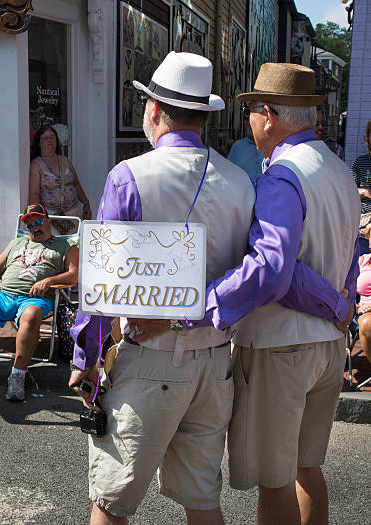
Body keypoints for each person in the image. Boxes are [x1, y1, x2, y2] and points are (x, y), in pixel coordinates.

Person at [131, 63, 359, 525]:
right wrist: (341, 302)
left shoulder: (282, 175)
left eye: (253, 110)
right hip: (329, 345)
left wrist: (195, 308)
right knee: (308, 469)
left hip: (281, 346)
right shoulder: (339, 169)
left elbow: (274, 270)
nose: (251, 120)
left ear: (269, 115)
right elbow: (351, 252)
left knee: (275, 483)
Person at [69, 51, 257, 525]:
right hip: (215, 360)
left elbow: (101, 284)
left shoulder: (129, 176)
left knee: (112, 501)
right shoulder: (241, 182)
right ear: (206, 117)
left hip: (150, 357)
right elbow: (249, 272)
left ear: (153, 110)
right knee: (202, 499)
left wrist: (85, 359)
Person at [0, 203, 78, 401]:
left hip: (34, 299)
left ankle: (17, 375)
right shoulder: (17, 243)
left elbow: (73, 276)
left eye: (39, 222)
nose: (35, 228)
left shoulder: (66, 246)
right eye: (30, 226)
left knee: (30, 316)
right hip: (4, 295)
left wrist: (50, 280)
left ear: (49, 222)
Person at [29, 125, 92, 234]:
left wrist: (86, 204)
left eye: (52, 137)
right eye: (45, 138)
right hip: (51, 218)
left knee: (75, 247)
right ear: (39, 143)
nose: (50, 140)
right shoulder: (36, 164)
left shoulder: (65, 161)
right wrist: (36, 217)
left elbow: (76, 184)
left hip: (74, 215)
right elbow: (34, 193)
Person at [227, 111, 265, 183]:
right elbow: (229, 175)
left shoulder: (272, 147)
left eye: (254, 120)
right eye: (247, 120)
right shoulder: (237, 147)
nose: (250, 124)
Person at [356, 222, 371, 365]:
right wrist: (354, 306)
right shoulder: (362, 260)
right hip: (363, 312)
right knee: (367, 322)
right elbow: (347, 288)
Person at [352, 120, 371, 226]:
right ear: (367, 138)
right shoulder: (360, 162)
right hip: (363, 220)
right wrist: (365, 192)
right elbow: (350, 190)